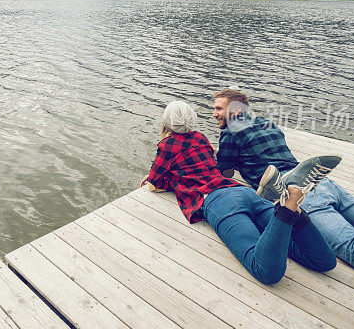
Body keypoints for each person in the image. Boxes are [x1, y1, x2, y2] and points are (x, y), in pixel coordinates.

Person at [212, 88, 354, 273]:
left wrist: (218, 158)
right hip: (322, 182)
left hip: (297, 192)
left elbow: (226, 174)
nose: (214, 114)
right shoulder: (267, 123)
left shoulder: (231, 130)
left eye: (218, 109)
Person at [140, 100, 336, 285]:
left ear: (166, 122)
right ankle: (292, 208)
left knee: (264, 270)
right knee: (323, 262)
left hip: (219, 202)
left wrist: (159, 180)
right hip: (245, 193)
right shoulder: (200, 138)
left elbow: (154, 183)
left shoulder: (166, 145)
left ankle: (287, 208)